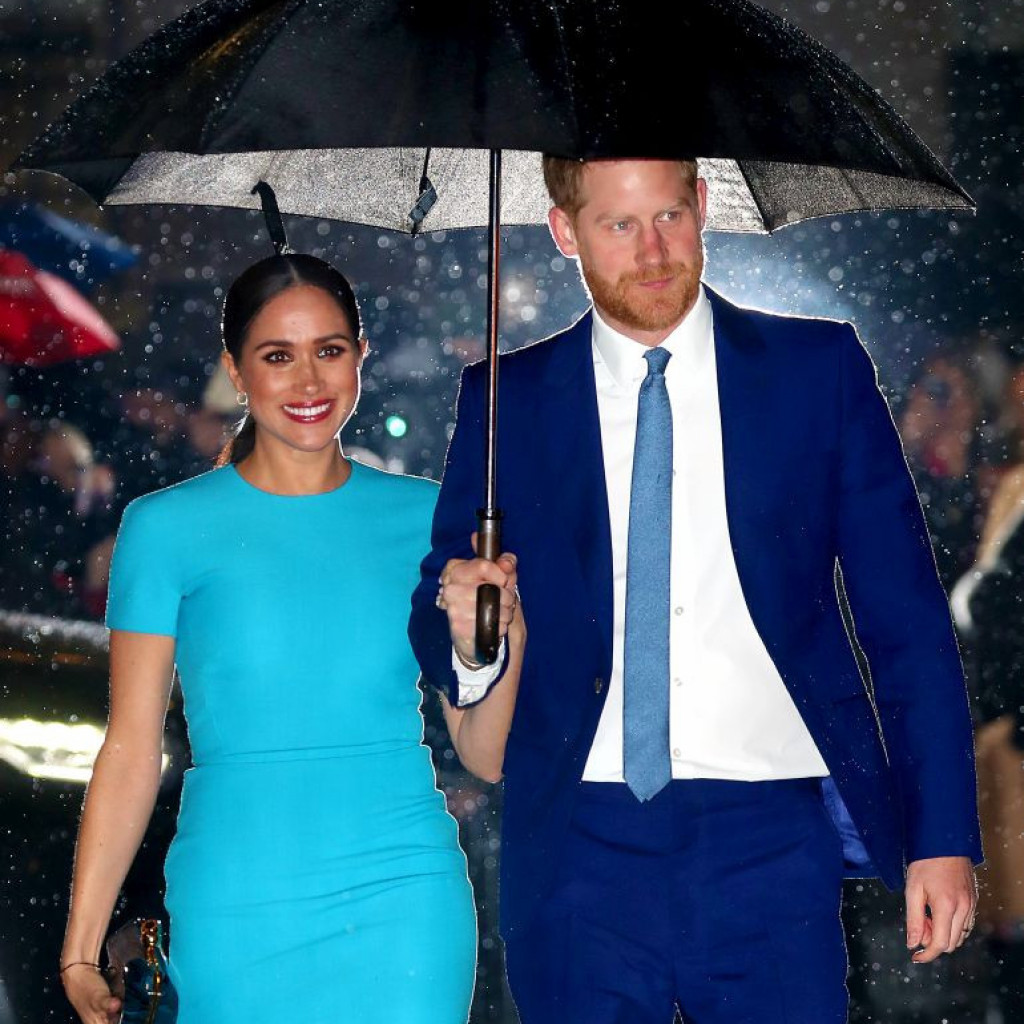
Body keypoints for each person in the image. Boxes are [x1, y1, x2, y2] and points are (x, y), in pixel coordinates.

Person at [409, 159, 981, 1024]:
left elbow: (907, 623)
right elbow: (441, 599)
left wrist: (941, 837)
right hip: (576, 837)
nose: (654, 252)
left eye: (670, 216)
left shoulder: (816, 370)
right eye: (619, 225)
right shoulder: (507, 397)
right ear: (564, 231)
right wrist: (469, 630)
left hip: (771, 833)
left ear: (704, 204)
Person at [59, 253, 500, 1024]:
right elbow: (131, 750)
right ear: (235, 370)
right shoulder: (164, 528)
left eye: (329, 350)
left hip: (405, 902)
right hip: (235, 905)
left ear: (361, 356)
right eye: (277, 356)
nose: (308, 380)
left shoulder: (431, 520)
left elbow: (484, 752)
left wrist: (490, 640)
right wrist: (81, 948)